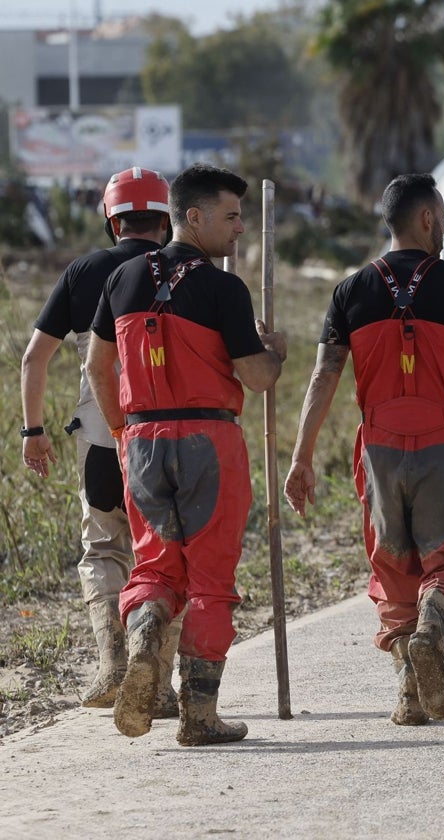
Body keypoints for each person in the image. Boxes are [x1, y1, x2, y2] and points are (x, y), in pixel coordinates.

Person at [284, 172, 444, 726]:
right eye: (442, 217)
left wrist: (301, 457)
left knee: (394, 570)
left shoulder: (350, 290)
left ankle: (408, 694)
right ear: (425, 219)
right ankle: (430, 636)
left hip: (377, 450)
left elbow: (323, 376)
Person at [85, 163, 287, 745]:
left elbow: (99, 365)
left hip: (142, 442)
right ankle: (199, 715)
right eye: (230, 216)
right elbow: (255, 376)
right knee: (211, 581)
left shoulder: (121, 281)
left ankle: (146, 632)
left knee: (154, 568)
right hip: (209, 443)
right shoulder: (224, 288)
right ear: (192, 217)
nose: (241, 229)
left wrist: (124, 431)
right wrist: (274, 351)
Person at [20, 167, 184, 718]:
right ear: (166, 220)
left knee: (104, 550)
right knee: (167, 555)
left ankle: (113, 664)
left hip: (101, 439)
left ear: (112, 221)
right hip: (175, 436)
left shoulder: (83, 271)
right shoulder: (190, 269)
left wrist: (34, 430)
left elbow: (33, 358)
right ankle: (159, 683)